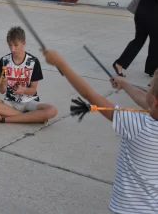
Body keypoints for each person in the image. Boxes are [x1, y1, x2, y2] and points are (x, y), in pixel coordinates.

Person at [42, 48, 158, 214]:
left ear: (153, 99)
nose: (146, 89)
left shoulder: (139, 126)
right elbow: (146, 101)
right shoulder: (148, 114)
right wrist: (124, 84)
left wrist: (61, 65)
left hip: (128, 209)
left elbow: (89, 94)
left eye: (149, 86)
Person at [0, 27, 57, 123]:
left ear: (23, 44)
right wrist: (3, 84)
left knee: (52, 110)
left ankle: (4, 118)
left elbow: (33, 91)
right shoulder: (4, 61)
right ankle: (30, 117)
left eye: (16, 45)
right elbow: (2, 91)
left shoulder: (33, 61)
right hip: (10, 102)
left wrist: (24, 90)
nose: (12, 49)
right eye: (10, 45)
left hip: (29, 101)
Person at [113, 0, 158, 78]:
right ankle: (152, 69)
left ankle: (119, 63)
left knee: (138, 40)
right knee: (155, 41)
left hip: (140, 13)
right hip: (153, 15)